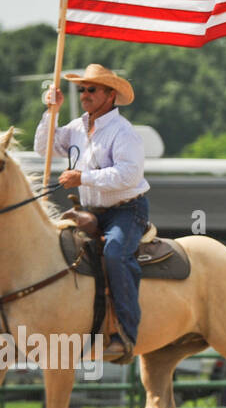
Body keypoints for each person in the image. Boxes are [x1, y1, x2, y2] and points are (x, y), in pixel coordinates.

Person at [34, 64, 149, 361]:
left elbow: (128, 175)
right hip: (90, 210)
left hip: (127, 210)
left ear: (110, 95)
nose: (84, 94)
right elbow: (43, 148)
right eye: (81, 89)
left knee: (114, 253)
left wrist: (82, 178)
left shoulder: (124, 132)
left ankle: (125, 335)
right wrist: (52, 112)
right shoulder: (75, 127)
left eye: (91, 89)